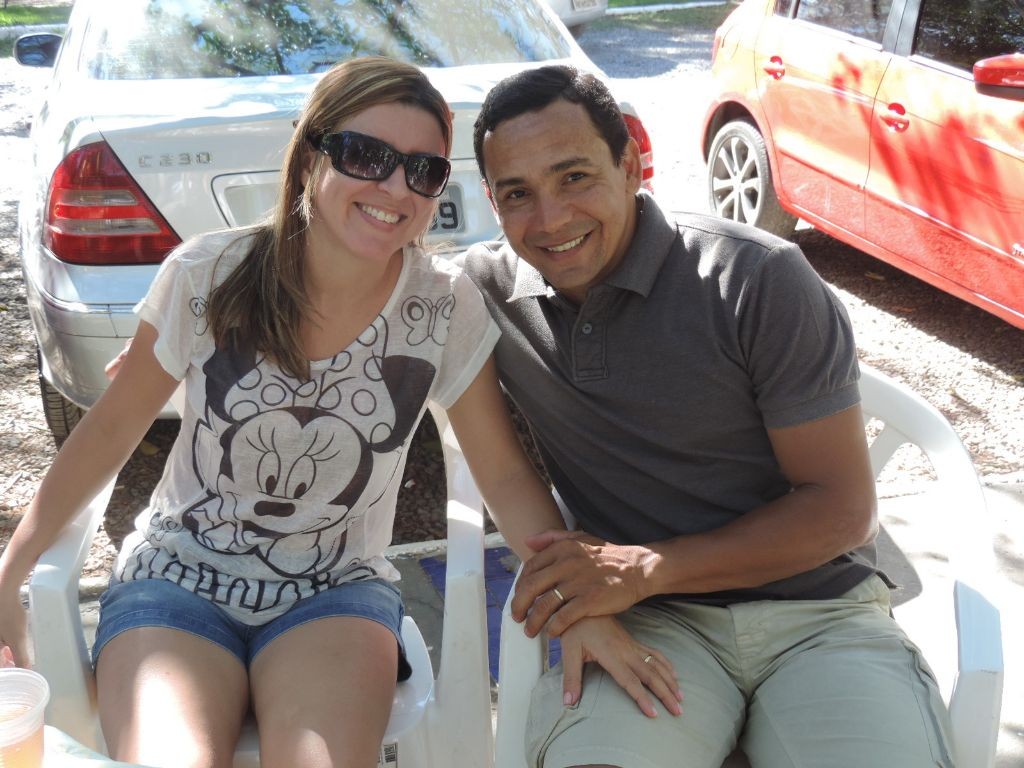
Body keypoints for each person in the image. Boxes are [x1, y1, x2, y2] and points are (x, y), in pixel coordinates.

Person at [0, 56, 590, 768]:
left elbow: (505, 475)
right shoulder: (207, 277)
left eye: (423, 170)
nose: (395, 188)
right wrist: (10, 573)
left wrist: (584, 601)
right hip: (175, 583)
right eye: (366, 155)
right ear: (310, 157)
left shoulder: (442, 306)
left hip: (334, 596)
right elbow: (105, 436)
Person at [462, 65, 955, 768]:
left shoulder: (756, 277)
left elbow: (842, 511)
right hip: (648, 622)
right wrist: (591, 601)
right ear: (492, 200)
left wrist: (646, 568)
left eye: (574, 176)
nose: (551, 219)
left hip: (818, 614)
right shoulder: (483, 294)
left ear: (631, 164)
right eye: (517, 193)